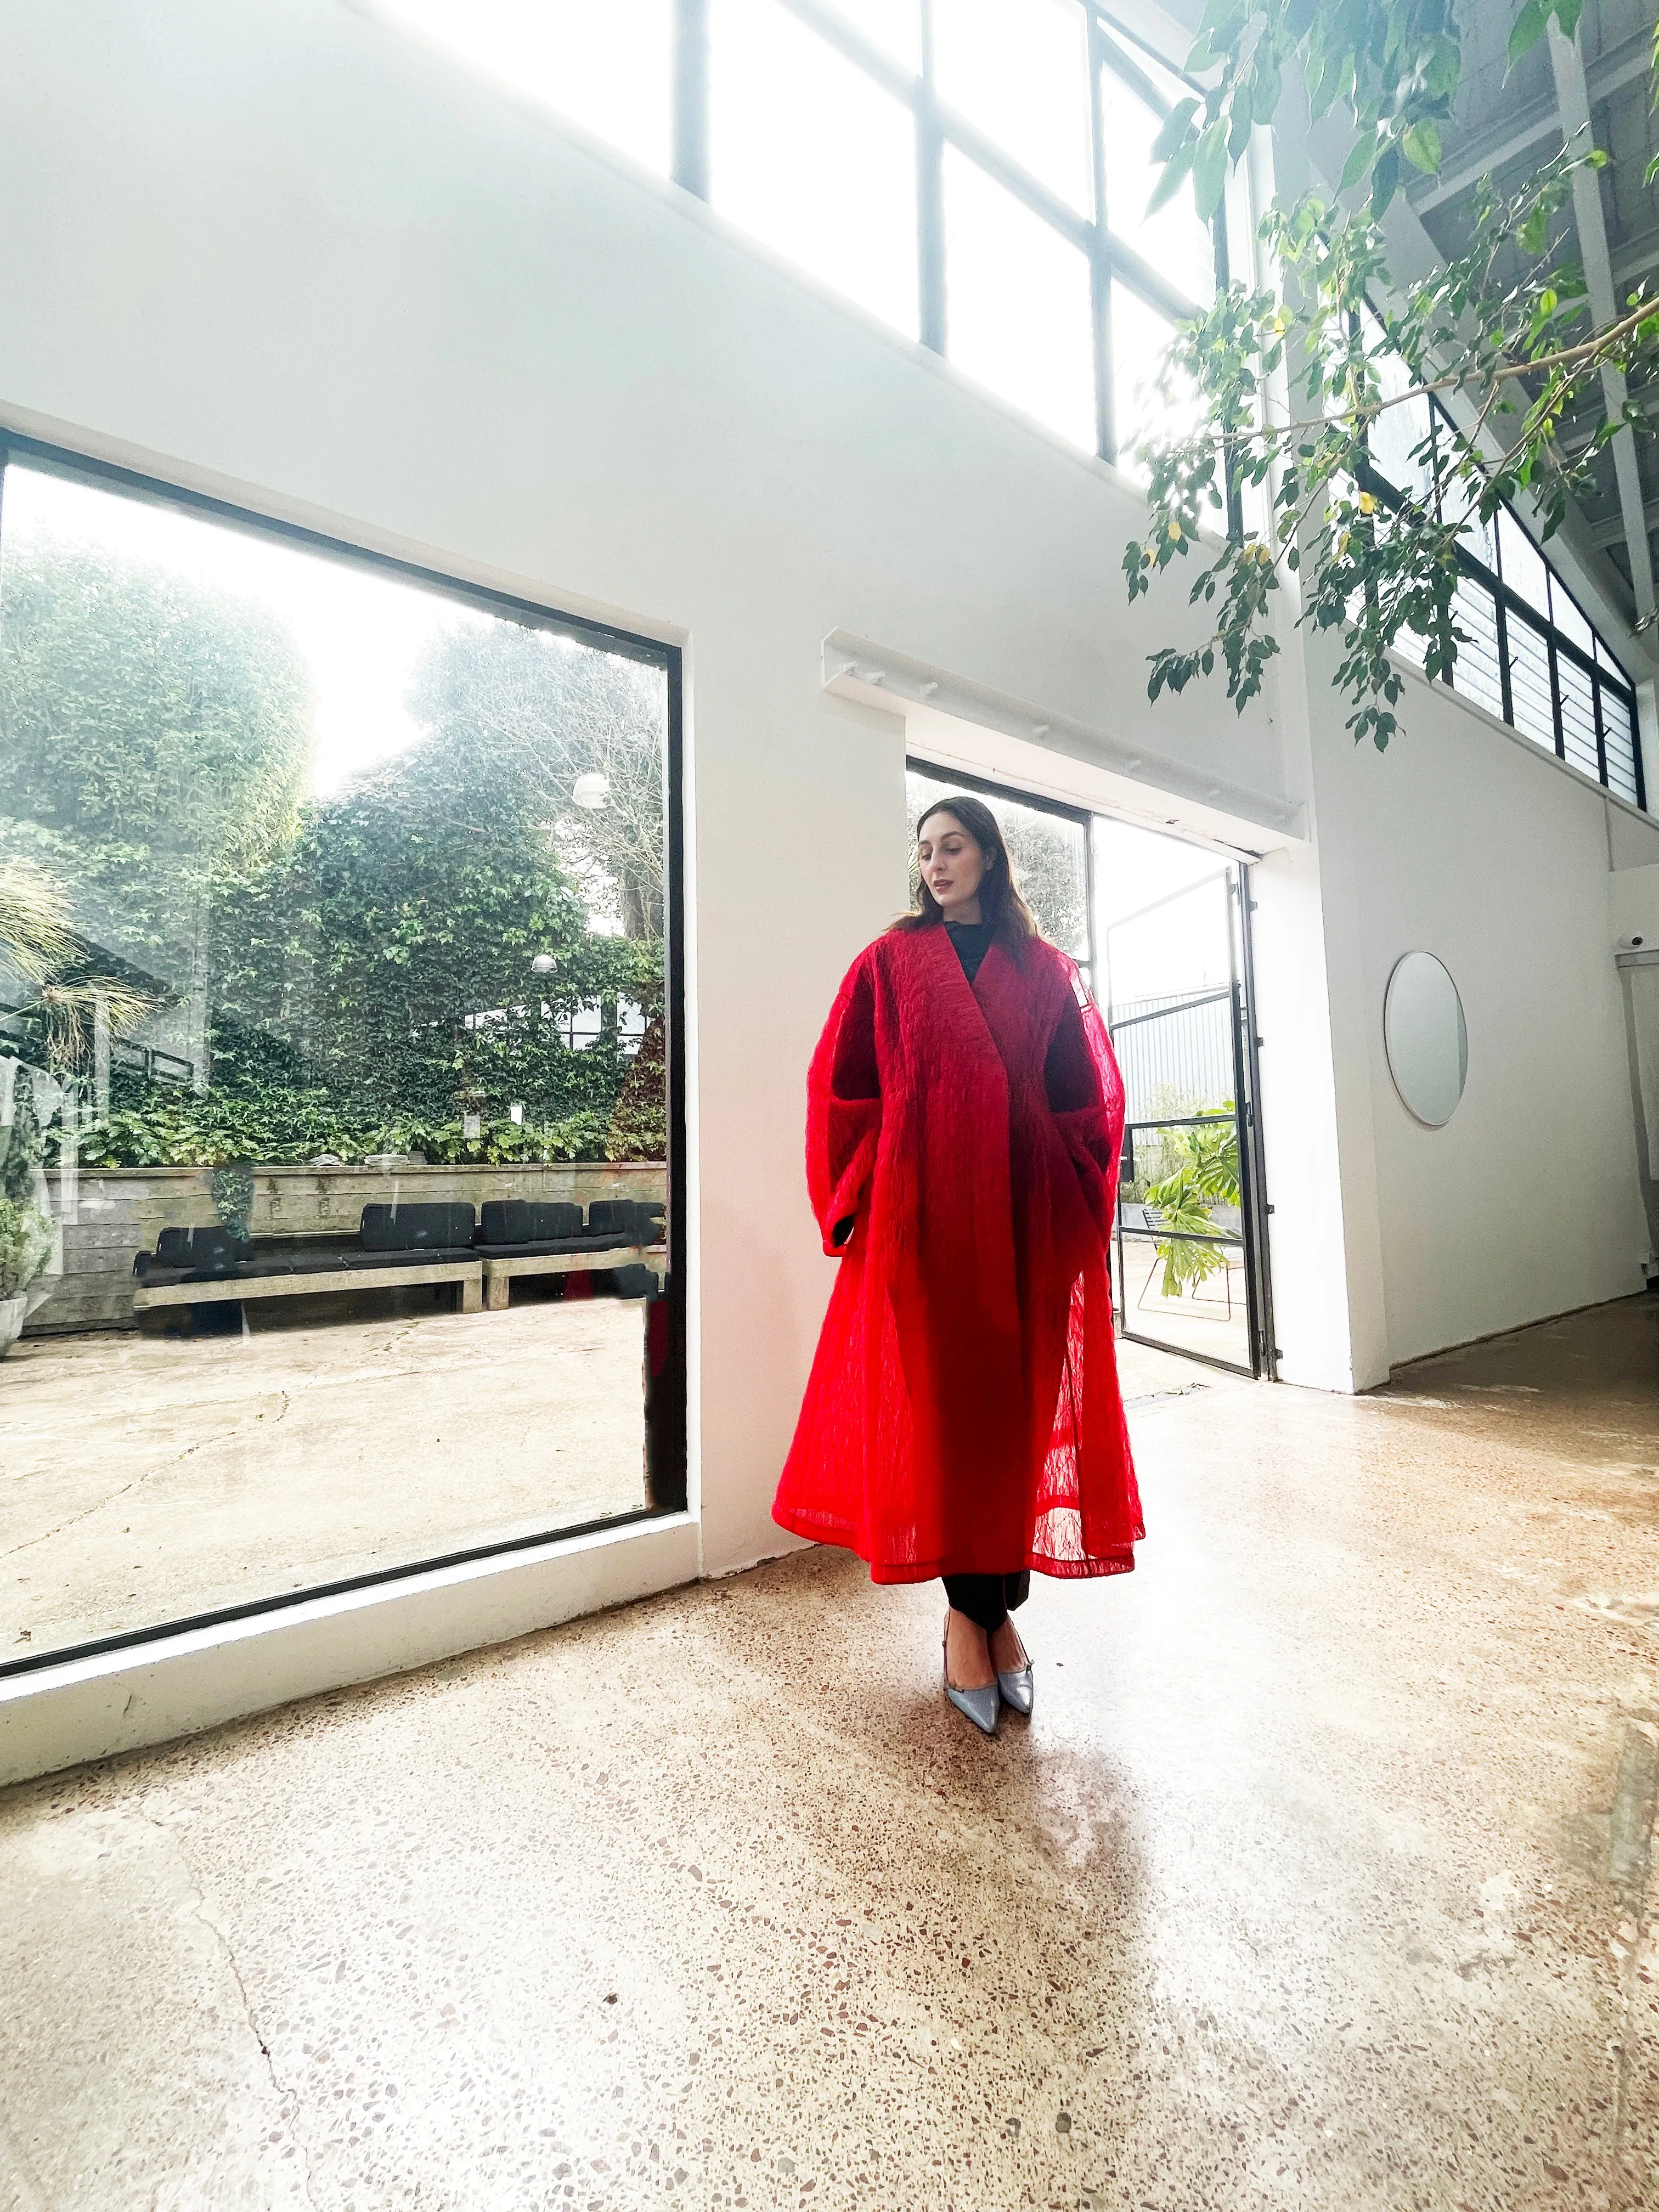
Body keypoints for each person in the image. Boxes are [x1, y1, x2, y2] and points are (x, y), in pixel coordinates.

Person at [772, 793, 1142, 1735]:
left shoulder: (1047, 972)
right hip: (926, 1227)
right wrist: (859, 1197)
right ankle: (975, 1626)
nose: (936, 865)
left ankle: (988, 1618)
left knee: (1011, 1426)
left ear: (990, 857)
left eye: (954, 848)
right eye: (925, 851)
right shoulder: (889, 966)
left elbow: (1085, 1103)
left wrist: (1074, 1210)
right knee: (946, 1422)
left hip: (1024, 1224)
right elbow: (841, 1088)